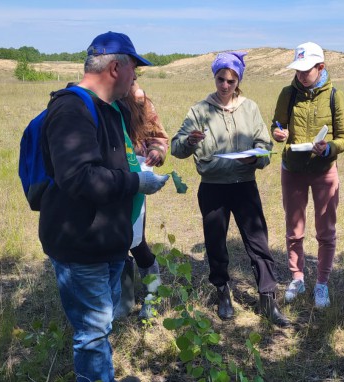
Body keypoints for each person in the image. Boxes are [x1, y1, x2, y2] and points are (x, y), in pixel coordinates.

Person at [39, 31, 169, 382]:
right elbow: (79, 178)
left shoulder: (111, 111)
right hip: (81, 247)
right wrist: (136, 182)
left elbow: (113, 168)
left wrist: (137, 170)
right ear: (115, 67)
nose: (135, 78)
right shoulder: (71, 109)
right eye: (133, 70)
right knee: (93, 335)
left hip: (108, 244)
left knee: (101, 326)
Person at [170, 51, 290, 327]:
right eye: (220, 79)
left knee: (258, 243)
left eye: (231, 81)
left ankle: (268, 299)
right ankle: (223, 293)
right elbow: (176, 148)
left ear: (238, 81)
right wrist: (189, 141)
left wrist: (257, 156)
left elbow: (265, 145)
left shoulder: (250, 108)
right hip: (212, 188)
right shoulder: (199, 111)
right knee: (215, 243)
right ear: (214, 77)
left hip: (245, 186)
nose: (224, 85)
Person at [271, 42, 344, 308]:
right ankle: (297, 277)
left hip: (323, 170)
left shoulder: (334, 96)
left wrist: (328, 148)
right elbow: (278, 123)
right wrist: (278, 133)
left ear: (321, 67)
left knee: (325, 231)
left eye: (307, 70)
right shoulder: (287, 93)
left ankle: (322, 284)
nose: (302, 75)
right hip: (292, 169)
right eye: (298, 70)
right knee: (294, 230)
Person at [115, 80, 170, 320]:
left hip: (137, 178)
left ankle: (152, 294)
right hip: (104, 180)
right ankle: (123, 301)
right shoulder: (96, 97)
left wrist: (156, 151)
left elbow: (157, 136)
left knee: (136, 242)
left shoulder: (140, 100)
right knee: (113, 243)